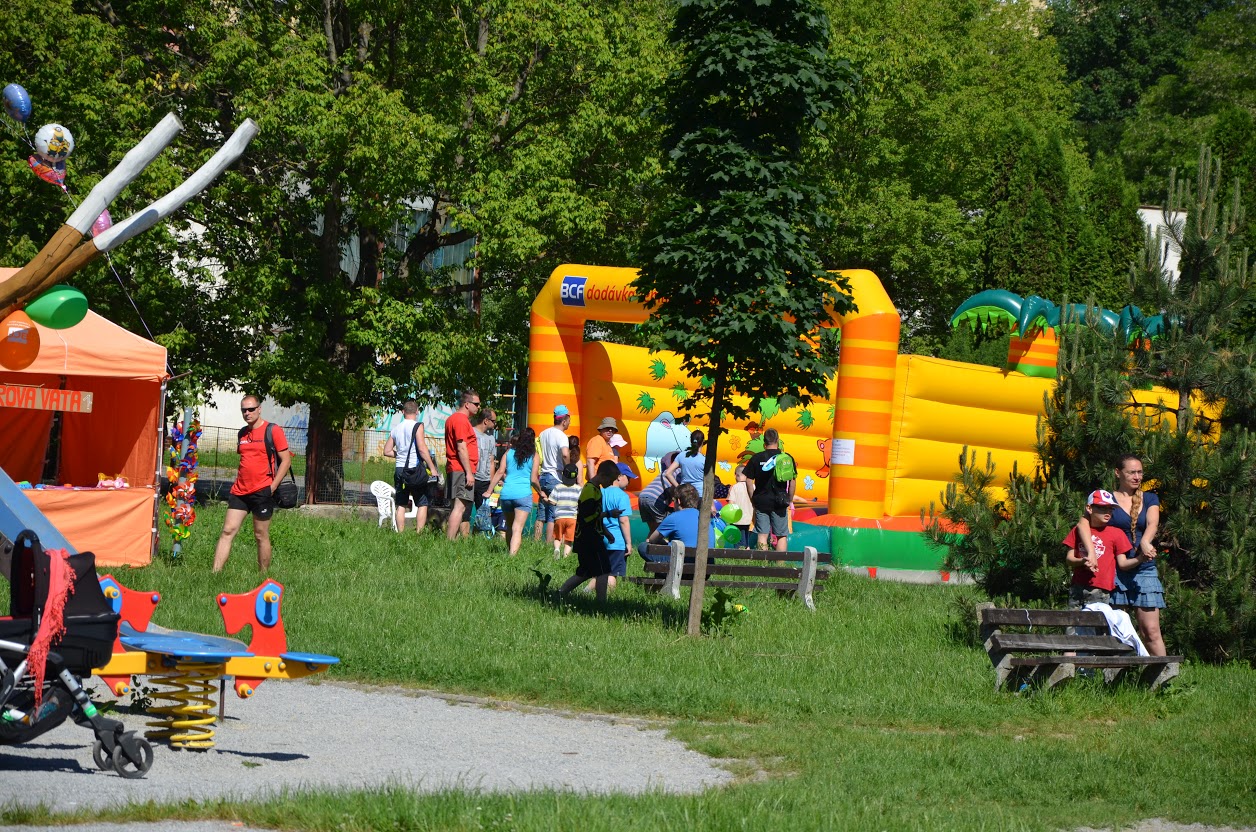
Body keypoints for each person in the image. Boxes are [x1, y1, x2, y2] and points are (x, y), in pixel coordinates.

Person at [1077, 454, 1167, 655]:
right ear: (1118, 473)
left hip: (1144, 569)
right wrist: (1091, 552)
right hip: (1114, 570)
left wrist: (1145, 542)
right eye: (1131, 472)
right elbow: (1083, 524)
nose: (1137, 477)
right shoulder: (1107, 498)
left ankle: (1165, 672)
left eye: (1140, 472)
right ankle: (1118, 672)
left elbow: (1153, 523)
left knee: (1151, 631)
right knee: (1116, 630)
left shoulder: (1150, 498)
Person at [213, 395, 292, 573]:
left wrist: (272, 487)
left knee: (260, 535)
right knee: (227, 531)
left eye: (251, 409)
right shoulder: (242, 433)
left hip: (262, 491)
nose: (247, 413)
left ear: (259, 409)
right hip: (240, 491)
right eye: (244, 410)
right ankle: (215, 574)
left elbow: (286, 461)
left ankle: (262, 576)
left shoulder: (273, 430)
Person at [558, 460, 623, 602]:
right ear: (603, 475)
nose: (611, 483)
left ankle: (560, 593)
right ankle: (601, 602)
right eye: (610, 480)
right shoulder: (589, 490)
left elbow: (595, 515)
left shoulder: (596, 489)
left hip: (589, 536)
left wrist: (606, 532)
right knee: (604, 570)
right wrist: (609, 514)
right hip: (589, 537)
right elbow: (587, 516)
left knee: (585, 572)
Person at [1063, 489, 1134, 609]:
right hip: (1077, 586)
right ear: (1089, 508)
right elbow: (1069, 559)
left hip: (1100, 588)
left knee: (1096, 620)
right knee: (1073, 620)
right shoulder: (1077, 530)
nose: (1107, 512)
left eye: (1110, 509)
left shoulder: (1116, 533)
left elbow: (1123, 563)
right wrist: (1082, 561)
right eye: (1102, 508)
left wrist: (1140, 558)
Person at [484, 426, 543, 556]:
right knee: (517, 529)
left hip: (506, 495)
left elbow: (500, 472)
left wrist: (489, 490)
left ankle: (509, 551)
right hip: (523, 495)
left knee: (510, 527)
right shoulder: (534, 456)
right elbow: (534, 479)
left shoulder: (509, 453)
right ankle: (512, 557)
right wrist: (541, 492)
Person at [382, 400, 437, 534]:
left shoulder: (396, 428)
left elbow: (387, 451)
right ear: (417, 411)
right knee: (422, 502)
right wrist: (432, 468)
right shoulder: (418, 426)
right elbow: (422, 449)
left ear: (403, 412)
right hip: (414, 470)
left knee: (401, 503)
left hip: (400, 470)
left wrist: (401, 455)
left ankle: (400, 534)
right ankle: (419, 533)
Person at [636, 483, 718, 562]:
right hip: (706, 562)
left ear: (678, 501)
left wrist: (664, 542)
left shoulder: (674, 517)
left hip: (682, 561)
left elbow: (652, 540)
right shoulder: (704, 517)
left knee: (643, 547)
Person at [744, 428, 794, 552]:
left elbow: (749, 481)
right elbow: (792, 481)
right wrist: (790, 499)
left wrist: (752, 499)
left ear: (764, 442)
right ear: (778, 440)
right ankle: (780, 563)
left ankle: (763, 562)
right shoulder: (786, 458)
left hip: (761, 500)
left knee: (762, 535)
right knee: (781, 535)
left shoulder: (756, 458)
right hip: (780, 501)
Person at [444, 390, 481, 540]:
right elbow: (461, 447)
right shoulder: (460, 420)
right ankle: (450, 541)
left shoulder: (453, 419)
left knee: (456, 507)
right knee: (459, 508)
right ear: (467, 404)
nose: (478, 407)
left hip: (455, 468)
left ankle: (453, 539)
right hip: (461, 469)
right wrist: (469, 473)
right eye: (476, 404)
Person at [536, 405, 572, 542]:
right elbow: (565, 454)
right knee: (553, 514)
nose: (569, 424)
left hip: (543, 475)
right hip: (555, 476)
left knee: (541, 513)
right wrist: (568, 469)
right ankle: (548, 544)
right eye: (569, 421)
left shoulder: (543, 433)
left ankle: (536, 541)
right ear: (564, 421)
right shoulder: (562, 436)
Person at [601, 463, 635, 588]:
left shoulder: (600, 492)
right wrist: (629, 543)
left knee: (599, 572)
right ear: (619, 476)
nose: (629, 482)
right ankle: (608, 598)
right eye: (628, 478)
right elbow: (623, 520)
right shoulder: (622, 496)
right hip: (616, 541)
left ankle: (586, 592)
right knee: (612, 574)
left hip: (600, 538)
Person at [637, 450, 680, 534]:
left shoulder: (665, 472)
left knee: (653, 530)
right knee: (660, 532)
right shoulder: (679, 472)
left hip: (642, 497)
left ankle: (648, 542)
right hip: (655, 499)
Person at [549, 463, 582, 558]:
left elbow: (552, 501)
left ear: (563, 475)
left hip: (559, 517)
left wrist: (547, 500)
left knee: (557, 537)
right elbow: (581, 502)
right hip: (572, 518)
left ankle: (557, 549)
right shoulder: (578, 489)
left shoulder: (558, 487)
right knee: (569, 540)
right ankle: (565, 556)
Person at [473, 409, 498, 528]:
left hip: (485, 481)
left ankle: (480, 534)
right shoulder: (471, 433)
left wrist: (491, 484)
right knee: (465, 511)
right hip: (472, 478)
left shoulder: (491, 438)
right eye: (493, 421)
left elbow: (492, 462)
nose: (495, 424)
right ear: (486, 421)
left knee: (484, 513)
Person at [666, 429, 707, 498]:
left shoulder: (681, 456)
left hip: (685, 494)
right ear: (703, 442)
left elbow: (668, 473)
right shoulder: (704, 459)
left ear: (690, 441)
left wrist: (678, 487)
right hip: (700, 494)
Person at [726, 465, 755, 547]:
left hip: (737, 520)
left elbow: (731, 504)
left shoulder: (734, 487)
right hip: (751, 520)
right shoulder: (753, 486)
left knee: (739, 542)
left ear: (736, 475)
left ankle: (740, 553)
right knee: (747, 541)